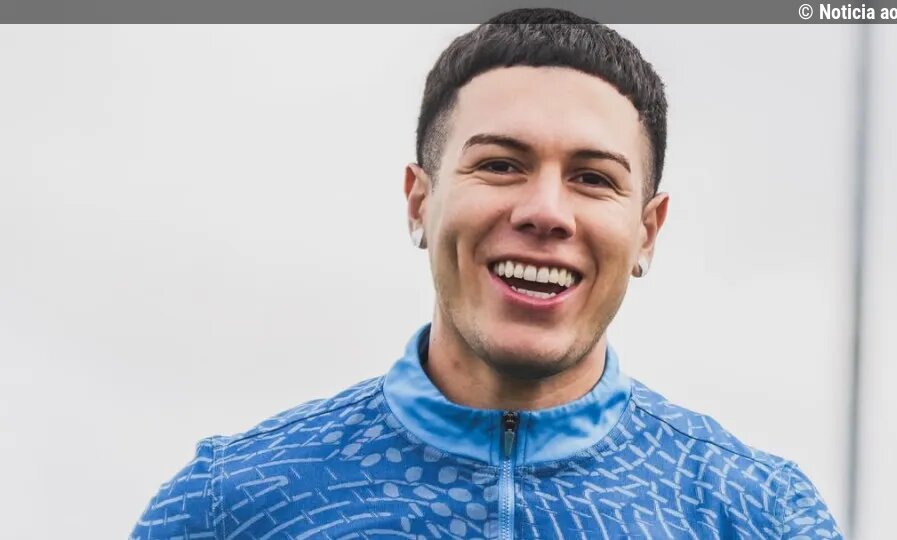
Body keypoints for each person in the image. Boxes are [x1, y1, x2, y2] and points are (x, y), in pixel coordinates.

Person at [131, 8, 842, 539]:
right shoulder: (228, 507)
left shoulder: (758, 515)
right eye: (500, 164)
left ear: (647, 232)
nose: (546, 212)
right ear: (420, 200)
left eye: (593, 178)